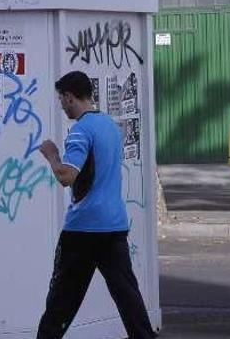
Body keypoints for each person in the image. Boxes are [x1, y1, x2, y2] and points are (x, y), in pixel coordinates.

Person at [36, 70, 155, 339]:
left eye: (61, 99)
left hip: (83, 230)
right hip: (114, 226)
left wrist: (53, 155)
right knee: (127, 295)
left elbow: (67, 176)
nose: (61, 105)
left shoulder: (81, 130)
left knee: (61, 299)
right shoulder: (110, 126)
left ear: (69, 96)